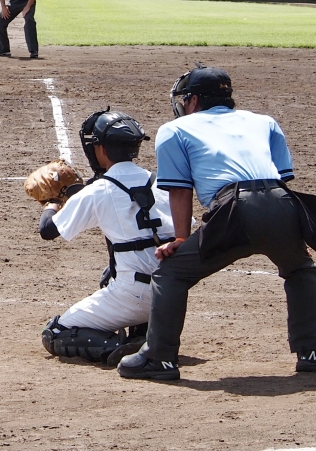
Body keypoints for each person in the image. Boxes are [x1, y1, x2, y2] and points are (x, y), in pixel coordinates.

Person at [117, 66, 316, 380]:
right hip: (283, 203)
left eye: (185, 99)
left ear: (194, 100)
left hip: (237, 210)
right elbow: (281, 177)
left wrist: (181, 238)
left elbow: (179, 190)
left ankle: (160, 358)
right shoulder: (264, 121)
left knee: (170, 273)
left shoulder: (175, 129)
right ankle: (311, 352)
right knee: (301, 270)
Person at [40, 109, 177, 366]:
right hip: (171, 295)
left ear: (100, 149)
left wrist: (52, 202)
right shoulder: (162, 182)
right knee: (113, 269)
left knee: (56, 333)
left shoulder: (99, 190)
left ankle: (127, 348)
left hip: (132, 295)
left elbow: (48, 230)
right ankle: (147, 334)